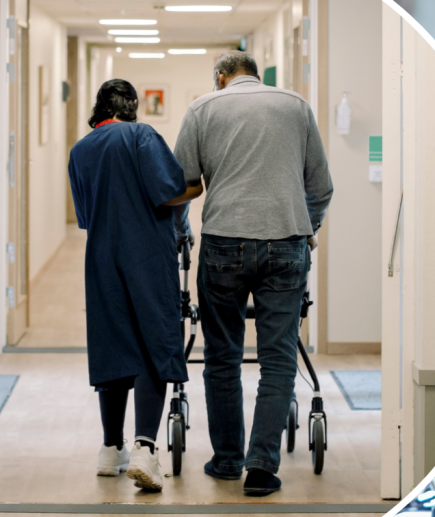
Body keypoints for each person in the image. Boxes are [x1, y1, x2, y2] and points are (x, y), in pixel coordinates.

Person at [173, 51, 333, 495]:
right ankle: (262, 466)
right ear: (257, 76)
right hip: (287, 240)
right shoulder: (295, 106)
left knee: (222, 355)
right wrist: (308, 228)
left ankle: (227, 461)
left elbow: (184, 181)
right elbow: (320, 188)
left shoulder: (203, 108)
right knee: (278, 356)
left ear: (221, 77)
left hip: (224, 241)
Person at [68, 79, 203, 491]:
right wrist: (198, 185)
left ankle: (111, 449)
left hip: (102, 256)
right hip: (145, 254)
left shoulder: (81, 150)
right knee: (152, 342)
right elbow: (168, 194)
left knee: (112, 341)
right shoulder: (141, 134)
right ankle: (146, 447)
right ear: (132, 107)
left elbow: (86, 216)